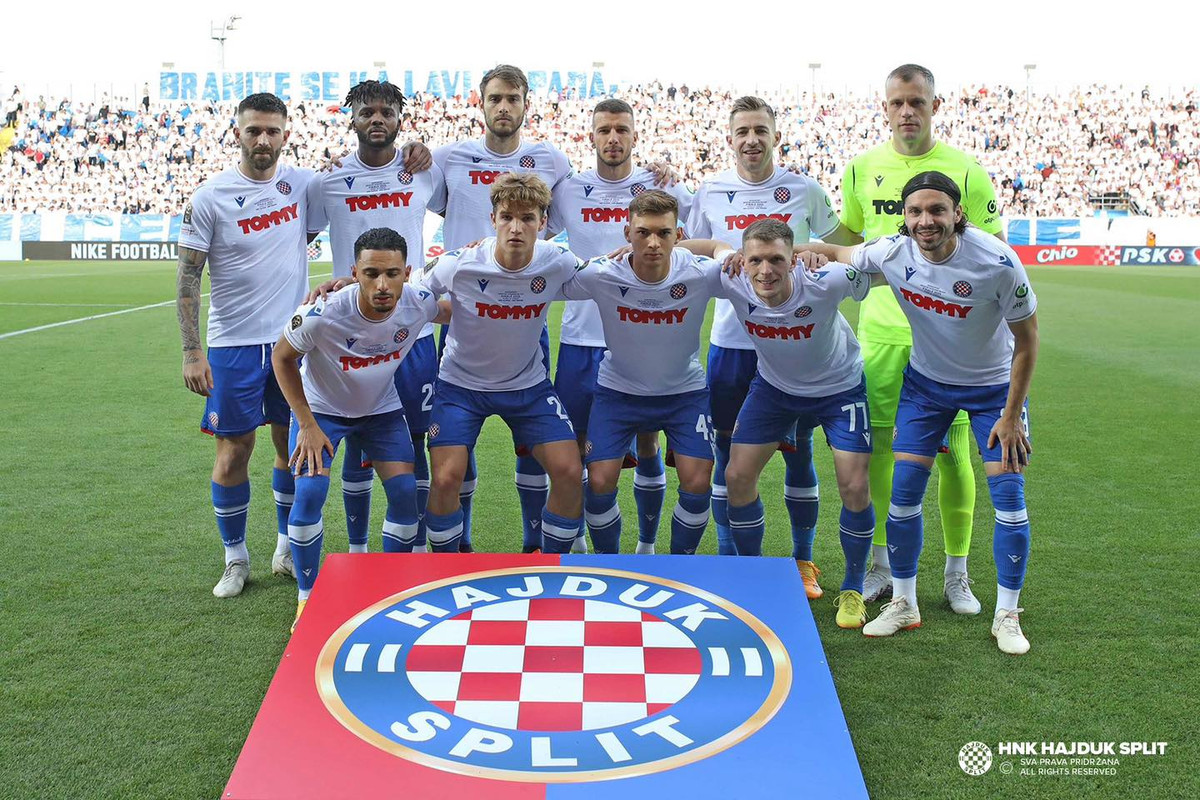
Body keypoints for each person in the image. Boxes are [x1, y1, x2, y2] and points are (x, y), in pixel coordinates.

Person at [801, 171, 1039, 654]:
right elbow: (845, 254)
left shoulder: (997, 261)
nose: (925, 220)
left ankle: (1007, 614)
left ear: (958, 214)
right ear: (904, 217)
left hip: (993, 390)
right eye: (915, 212)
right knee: (904, 493)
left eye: (936, 210)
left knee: (1008, 497)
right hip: (926, 388)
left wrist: (1011, 415)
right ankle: (905, 603)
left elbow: (1028, 340)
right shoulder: (893, 251)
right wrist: (813, 250)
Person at [839, 64, 1005, 612]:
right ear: (884, 108)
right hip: (884, 333)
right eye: (897, 103)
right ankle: (884, 567)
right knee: (884, 448)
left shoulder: (966, 169)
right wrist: (789, 246)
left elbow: (994, 251)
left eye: (917, 101)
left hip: (951, 338)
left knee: (956, 451)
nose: (907, 111)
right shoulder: (862, 168)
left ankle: (957, 572)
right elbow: (847, 235)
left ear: (935, 105)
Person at [687, 95, 856, 597]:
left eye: (761, 130)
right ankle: (731, 557)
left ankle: (803, 562)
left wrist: (814, 254)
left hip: (797, 350)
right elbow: (695, 252)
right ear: (730, 138)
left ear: (775, 136)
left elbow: (839, 241)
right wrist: (721, 249)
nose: (752, 140)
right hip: (733, 345)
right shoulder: (711, 191)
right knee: (728, 457)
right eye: (742, 131)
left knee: (799, 453)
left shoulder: (803, 189)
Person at [272, 228, 450, 630]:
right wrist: (305, 423)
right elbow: (281, 358)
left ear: (408, 272)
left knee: (406, 493)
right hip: (322, 411)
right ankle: (307, 595)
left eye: (392, 273)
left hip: (382, 410)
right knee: (310, 493)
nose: (382, 285)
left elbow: (456, 309)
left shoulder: (418, 302)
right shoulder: (323, 313)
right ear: (354, 272)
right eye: (371, 274)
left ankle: (390, 589)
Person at [430, 65, 576, 553]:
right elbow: (408, 296)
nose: (504, 106)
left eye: (513, 98)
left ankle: (543, 554)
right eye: (495, 98)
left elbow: (605, 274)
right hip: (461, 352)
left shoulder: (551, 166)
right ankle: (451, 560)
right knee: (449, 471)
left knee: (555, 463)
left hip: (526, 356)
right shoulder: (448, 161)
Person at [175, 93, 315, 597]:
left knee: (289, 446)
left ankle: (283, 544)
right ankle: (235, 558)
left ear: (286, 134)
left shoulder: (301, 185)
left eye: (272, 131)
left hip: (290, 341)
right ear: (237, 132)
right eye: (253, 130)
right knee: (234, 451)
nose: (263, 139)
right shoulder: (210, 195)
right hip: (232, 344)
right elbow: (188, 279)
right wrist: (192, 351)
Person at [546, 98, 694, 554]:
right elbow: (535, 236)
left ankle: (647, 547)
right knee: (578, 450)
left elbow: (693, 238)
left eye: (621, 130)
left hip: (646, 337)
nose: (613, 138)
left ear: (635, 134)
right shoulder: (568, 190)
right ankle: (579, 543)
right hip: (581, 339)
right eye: (604, 130)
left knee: (648, 443)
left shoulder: (661, 185)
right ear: (590, 136)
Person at [306, 80, 448, 555]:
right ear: (353, 119)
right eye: (367, 111)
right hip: (348, 330)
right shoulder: (325, 180)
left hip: (412, 330)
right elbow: (296, 237)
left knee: (413, 440)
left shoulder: (423, 171)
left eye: (386, 112)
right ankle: (359, 550)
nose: (377, 119)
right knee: (359, 439)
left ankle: (418, 544)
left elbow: (465, 209)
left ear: (399, 120)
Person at [717, 220, 876, 629]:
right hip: (775, 389)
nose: (765, 271)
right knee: (736, 475)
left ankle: (854, 588)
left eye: (776, 260)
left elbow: (881, 265)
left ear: (793, 261)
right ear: (742, 260)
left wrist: (823, 248)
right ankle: (752, 577)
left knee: (855, 485)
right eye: (755, 259)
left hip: (840, 388)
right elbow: (690, 249)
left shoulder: (824, 280)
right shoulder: (731, 277)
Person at [559, 190, 732, 555]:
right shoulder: (603, 274)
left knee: (699, 479)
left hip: (683, 393)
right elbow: (540, 273)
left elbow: (760, 267)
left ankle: (676, 564)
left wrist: (723, 250)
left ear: (678, 235)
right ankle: (611, 563)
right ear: (627, 233)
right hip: (618, 392)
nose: (653, 243)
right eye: (643, 233)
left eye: (663, 233)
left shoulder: (701, 274)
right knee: (601, 480)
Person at [418, 173, 584, 554]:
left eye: (527, 218)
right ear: (492, 220)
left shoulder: (557, 260)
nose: (516, 227)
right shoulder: (459, 264)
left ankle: (550, 561)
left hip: (527, 387)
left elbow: (605, 278)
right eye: (507, 216)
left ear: (544, 224)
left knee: (570, 471)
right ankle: (445, 569)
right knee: (445, 478)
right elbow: (410, 294)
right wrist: (348, 282)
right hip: (461, 387)